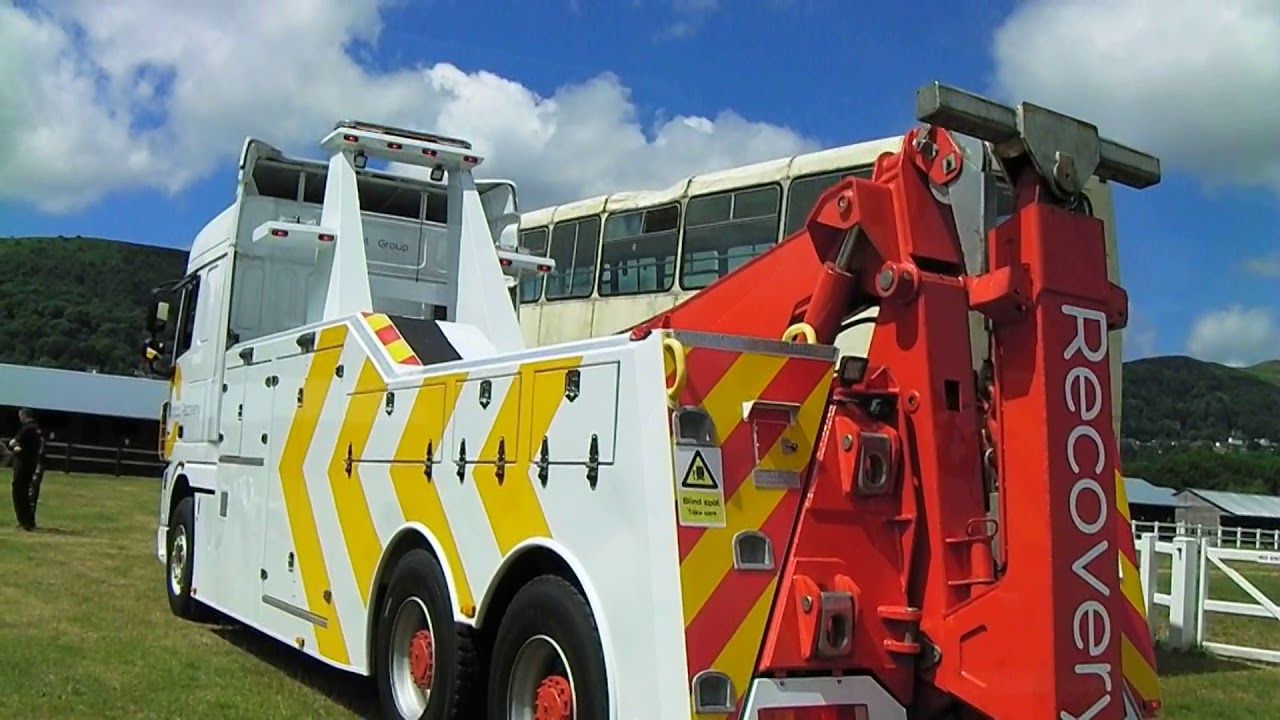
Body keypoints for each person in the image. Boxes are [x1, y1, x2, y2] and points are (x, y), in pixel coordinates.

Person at [7, 408, 45, 531]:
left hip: (22, 464)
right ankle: (29, 520)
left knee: (19, 492)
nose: (20, 419)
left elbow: (13, 442)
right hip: (31, 464)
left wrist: (16, 446)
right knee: (27, 493)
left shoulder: (27, 428)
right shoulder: (37, 428)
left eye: (20, 416)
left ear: (24, 416)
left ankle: (24, 521)